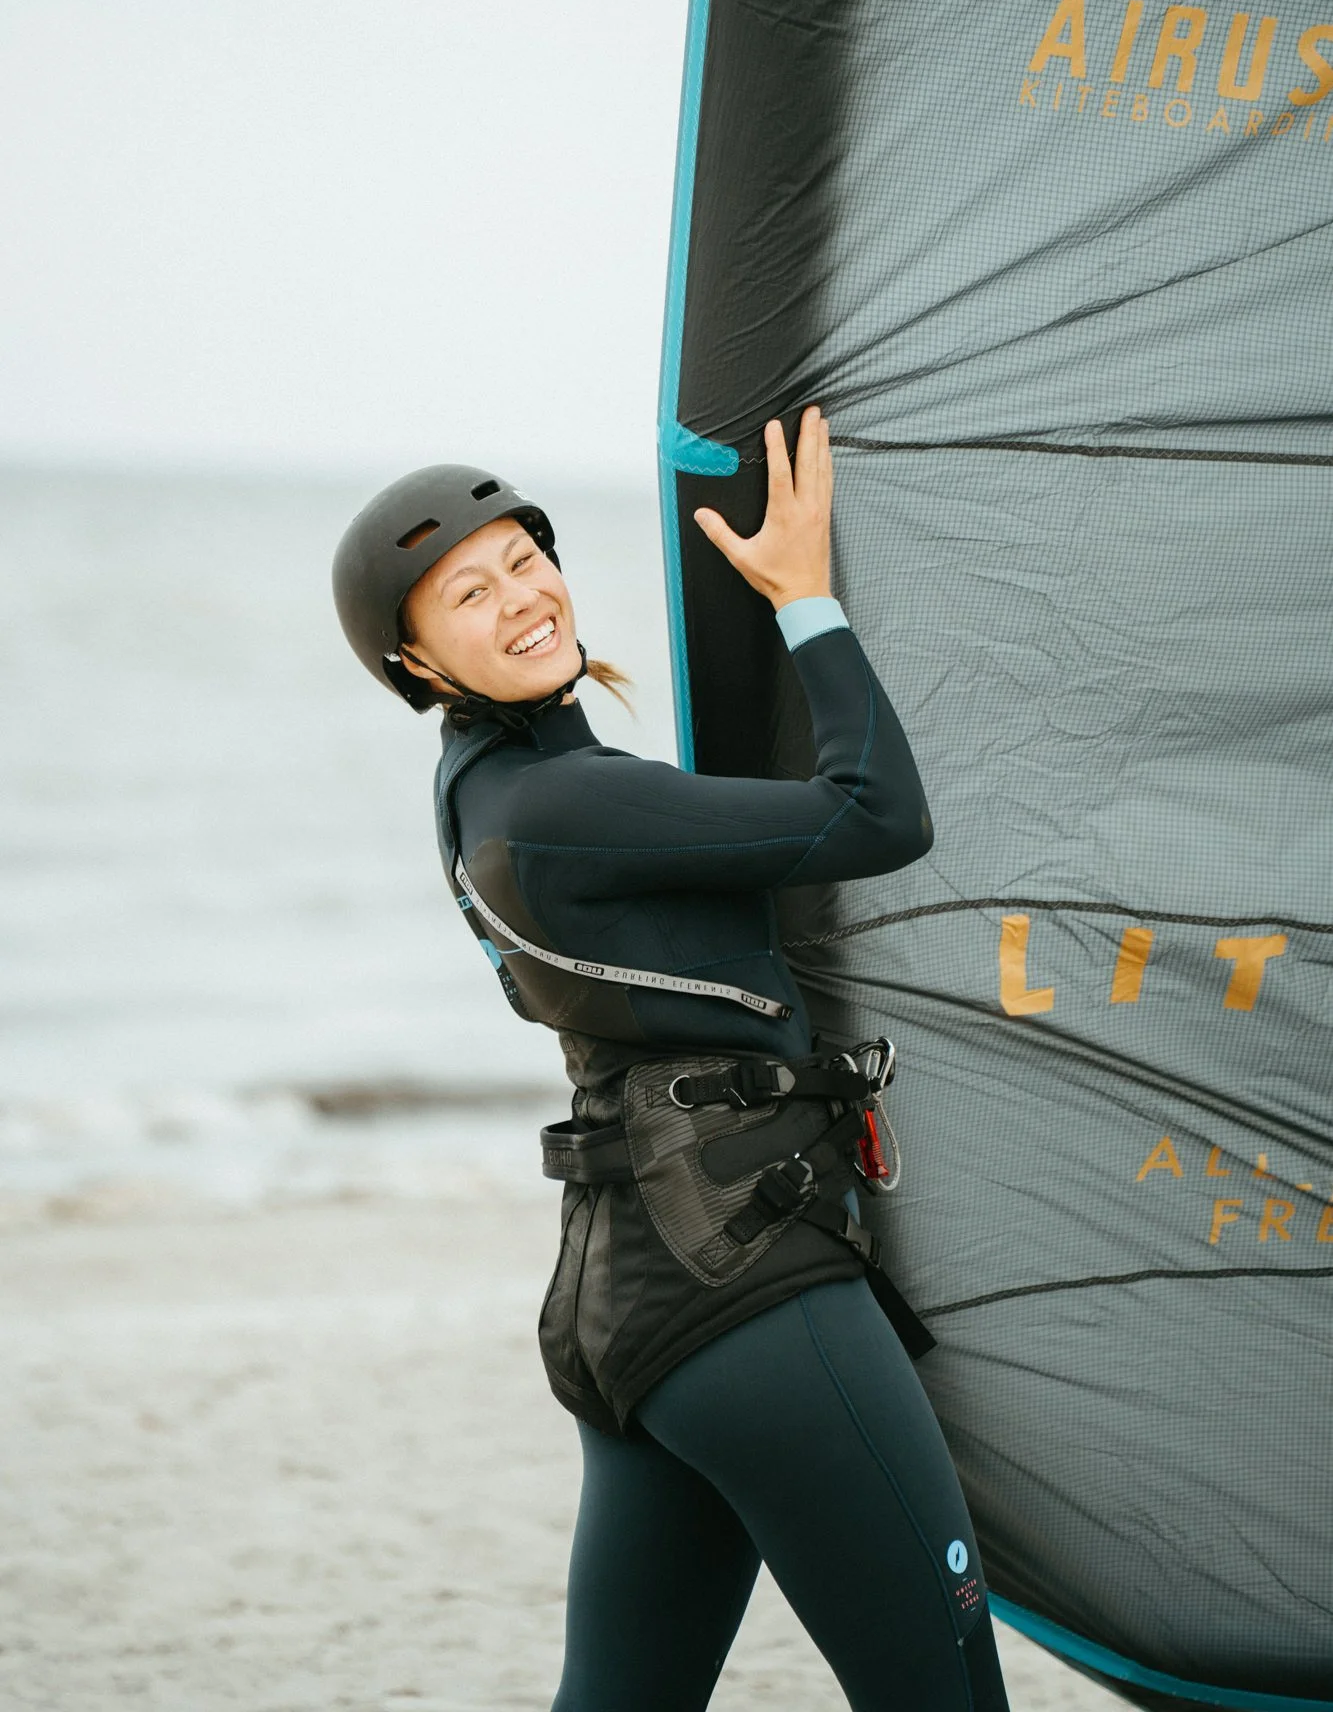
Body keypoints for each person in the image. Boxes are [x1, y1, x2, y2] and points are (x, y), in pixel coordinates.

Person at [332, 407, 1010, 1712]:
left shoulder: (486, 790)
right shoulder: (567, 805)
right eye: (468, 595)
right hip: (748, 1284)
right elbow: (881, 816)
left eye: (525, 558)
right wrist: (805, 599)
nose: (522, 597)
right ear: (417, 661)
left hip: (630, 1299)